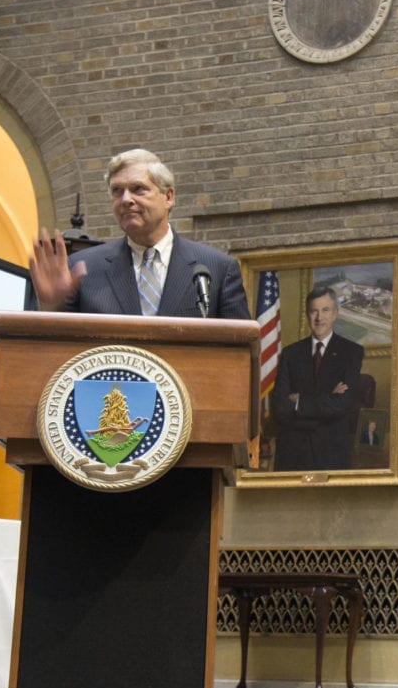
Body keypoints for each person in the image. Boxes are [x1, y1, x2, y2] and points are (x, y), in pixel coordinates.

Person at [29, 148, 250, 319]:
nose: (125, 200)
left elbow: (242, 355)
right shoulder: (83, 269)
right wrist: (50, 307)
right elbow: (57, 352)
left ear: (168, 197)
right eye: (117, 191)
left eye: (138, 189)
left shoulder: (216, 269)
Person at [270, 287, 364, 471]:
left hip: (330, 454)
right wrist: (327, 400)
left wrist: (298, 402)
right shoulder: (291, 353)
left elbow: (341, 404)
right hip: (292, 454)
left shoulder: (351, 352)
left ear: (335, 314)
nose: (319, 318)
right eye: (314, 311)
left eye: (325, 310)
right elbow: (278, 407)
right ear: (307, 314)